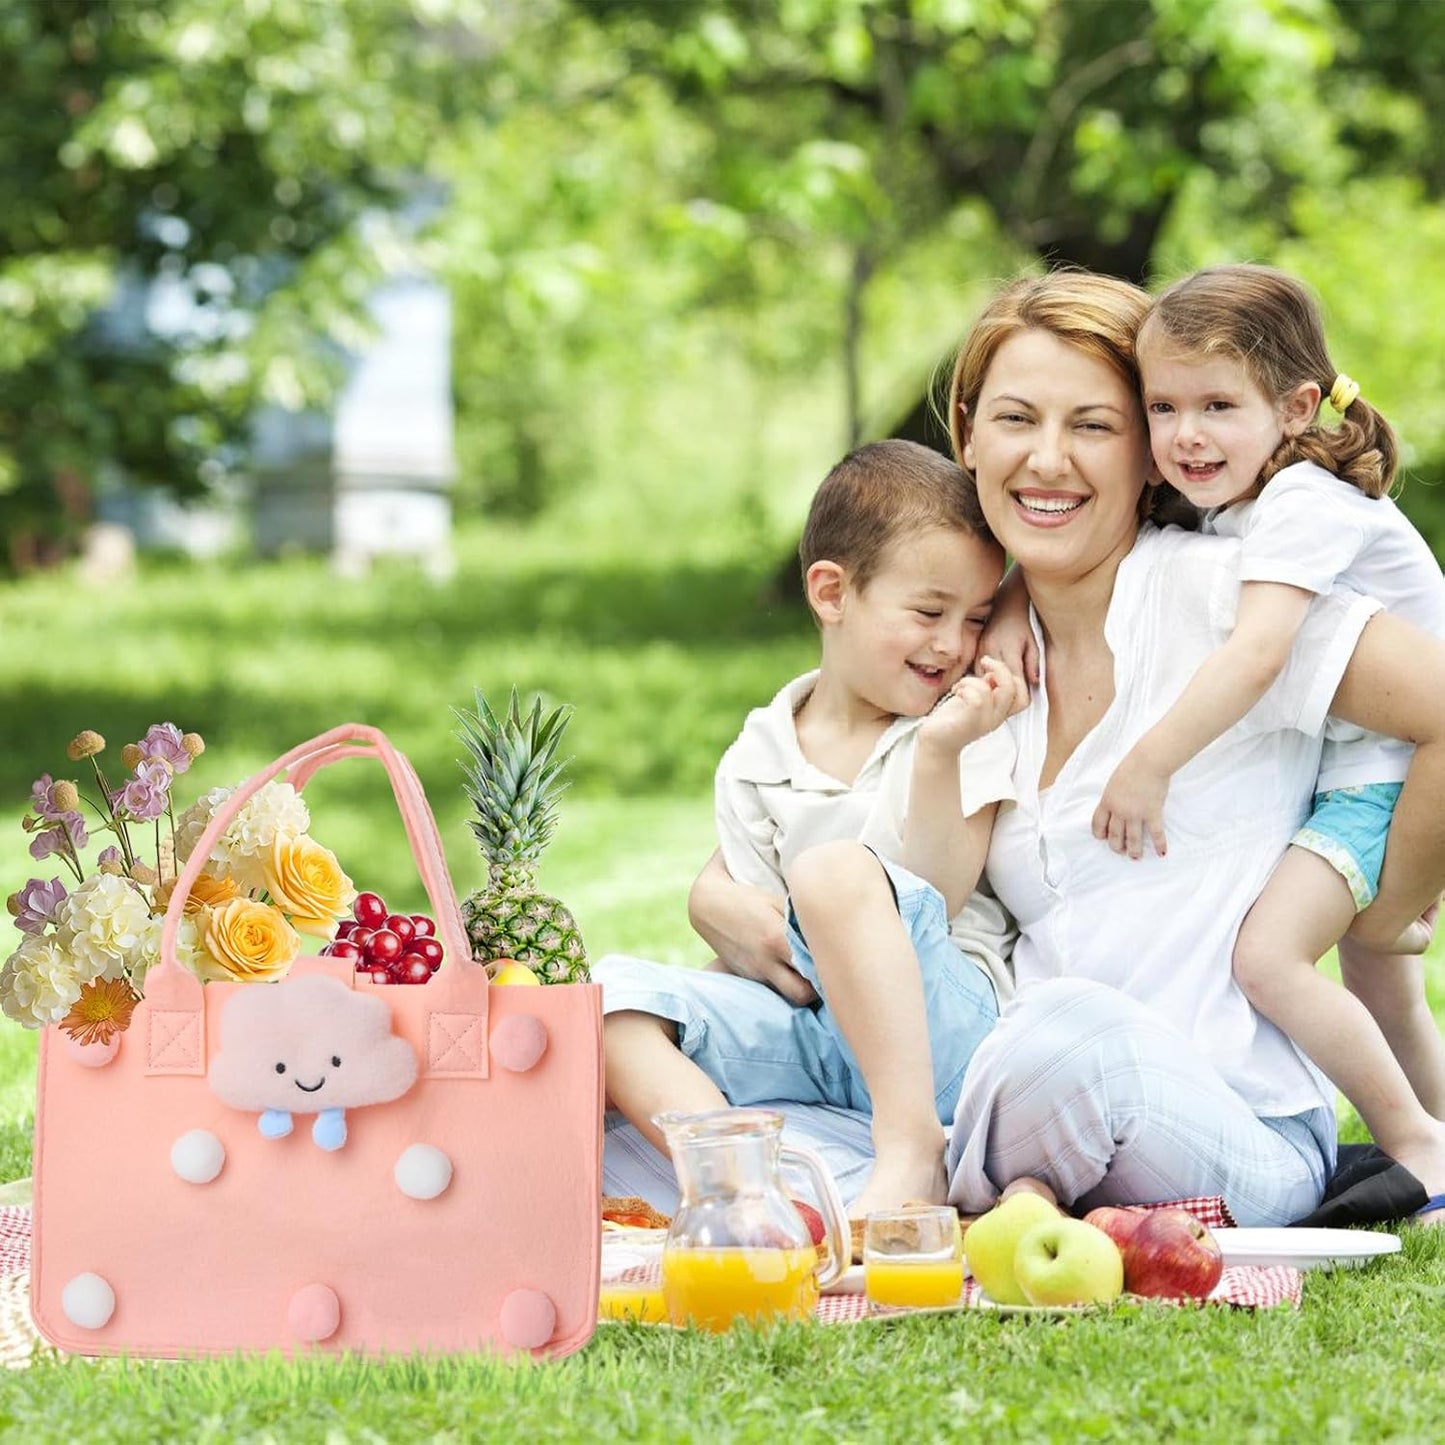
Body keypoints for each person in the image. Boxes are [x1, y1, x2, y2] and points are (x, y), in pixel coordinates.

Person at [663, 270, 1445, 1226]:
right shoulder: (973, 652)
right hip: (1016, 1078)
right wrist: (721, 895)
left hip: (1225, 1119)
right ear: (964, 435)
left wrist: (1388, 907)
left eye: (1092, 425)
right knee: (642, 1026)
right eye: (1015, 420)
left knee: (1065, 1036)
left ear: (1151, 454)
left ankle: (896, 1177)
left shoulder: (1224, 600)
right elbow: (897, 875)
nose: (1046, 459)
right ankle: (873, 1182)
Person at [1078, 263, 1445, 1206]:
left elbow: (1255, 654)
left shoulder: (1302, 504)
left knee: (1269, 958)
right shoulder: (1256, 496)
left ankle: (1415, 1145)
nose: (1185, 434)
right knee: (1374, 970)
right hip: (1374, 769)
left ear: (1294, 408)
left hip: (1391, 776)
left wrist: (1148, 759)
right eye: (1162, 406)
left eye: (1216, 404)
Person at [594, 439, 1027, 1215]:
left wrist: (939, 752)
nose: (953, 644)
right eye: (929, 611)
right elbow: (760, 951)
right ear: (831, 592)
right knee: (610, 1000)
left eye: (975, 619)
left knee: (837, 873)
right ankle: (746, 1194)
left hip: (941, 1029)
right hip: (814, 1029)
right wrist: (697, 1017)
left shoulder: (963, 728)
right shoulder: (759, 755)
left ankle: (914, 1149)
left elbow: (943, 889)